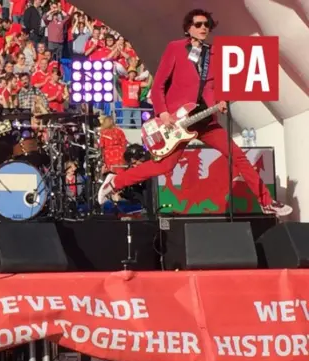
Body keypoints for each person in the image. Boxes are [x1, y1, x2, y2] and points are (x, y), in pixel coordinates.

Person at [97, 9, 292, 217]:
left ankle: (266, 202)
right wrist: (163, 114)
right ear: (188, 28)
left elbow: (212, 87)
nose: (203, 28)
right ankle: (116, 181)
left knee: (238, 157)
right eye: (198, 24)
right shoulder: (175, 48)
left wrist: (220, 101)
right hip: (177, 122)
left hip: (205, 120)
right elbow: (158, 86)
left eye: (206, 25)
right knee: (162, 167)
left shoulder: (213, 53)